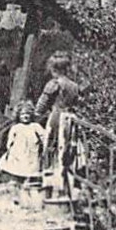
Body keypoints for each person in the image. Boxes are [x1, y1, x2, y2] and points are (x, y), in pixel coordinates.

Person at [34, 52, 81, 198]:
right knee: (69, 149)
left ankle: (52, 185)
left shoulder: (53, 84)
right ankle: (67, 184)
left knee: (52, 148)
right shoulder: (74, 86)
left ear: (53, 69)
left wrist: (37, 115)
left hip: (57, 118)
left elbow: (41, 106)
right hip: (71, 118)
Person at [0, 102, 46, 206]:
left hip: (31, 155)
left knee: (29, 176)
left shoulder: (35, 126)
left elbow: (44, 136)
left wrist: (43, 144)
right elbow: (10, 140)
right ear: (18, 116)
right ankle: (17, 197)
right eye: (23, 114)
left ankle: (29, 198)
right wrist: (10, 150)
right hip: (18, 154)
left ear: (31, 115)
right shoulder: (16, 127)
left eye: (28, 114)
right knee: (17, 175)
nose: (25, 116)